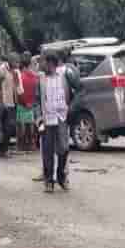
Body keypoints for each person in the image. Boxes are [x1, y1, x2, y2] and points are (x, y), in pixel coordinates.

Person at [39, 52, 73, 193]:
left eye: (44, 63)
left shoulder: (64, 76)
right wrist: (38, 117)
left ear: (50, 63)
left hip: (62, 119)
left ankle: (61, 176)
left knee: (63, 149)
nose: (42, 65)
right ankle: (49, 181)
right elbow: (37, 99)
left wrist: (71, 108)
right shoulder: (41, 80)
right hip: (47, 120)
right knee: (47, 151)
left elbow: (79, 89)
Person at [17, 55, 39, 152]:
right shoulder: (35, 76)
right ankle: (31, 144)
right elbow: (36, 91)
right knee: (30, 125)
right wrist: (31, 102)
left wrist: (24, 102)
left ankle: (22, 145)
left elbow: (19, 92)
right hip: (31, 104)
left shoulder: (20, 77)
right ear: (29, 65)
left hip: (22, 104)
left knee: (21, 125)